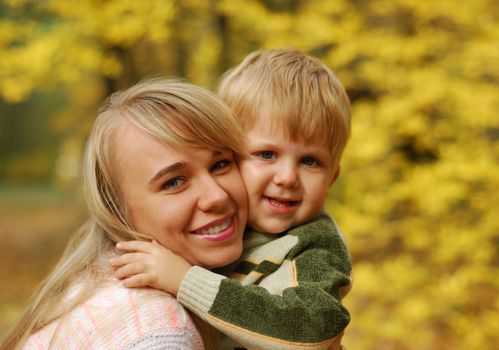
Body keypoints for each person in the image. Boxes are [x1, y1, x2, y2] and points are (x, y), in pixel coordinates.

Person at [113, 48, 352, 350]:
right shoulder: (227, 230)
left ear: (332, 177)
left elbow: (312, 326)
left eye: (310, 162)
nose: (288, 177)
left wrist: (185, 280)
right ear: (230, 156)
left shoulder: (314, 246)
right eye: (267, 154)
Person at [0, 79, 249, 350]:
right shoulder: (159, 334)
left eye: (221, 164)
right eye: (174, 182)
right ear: (116, 210)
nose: (217, 196)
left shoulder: (95, 281)